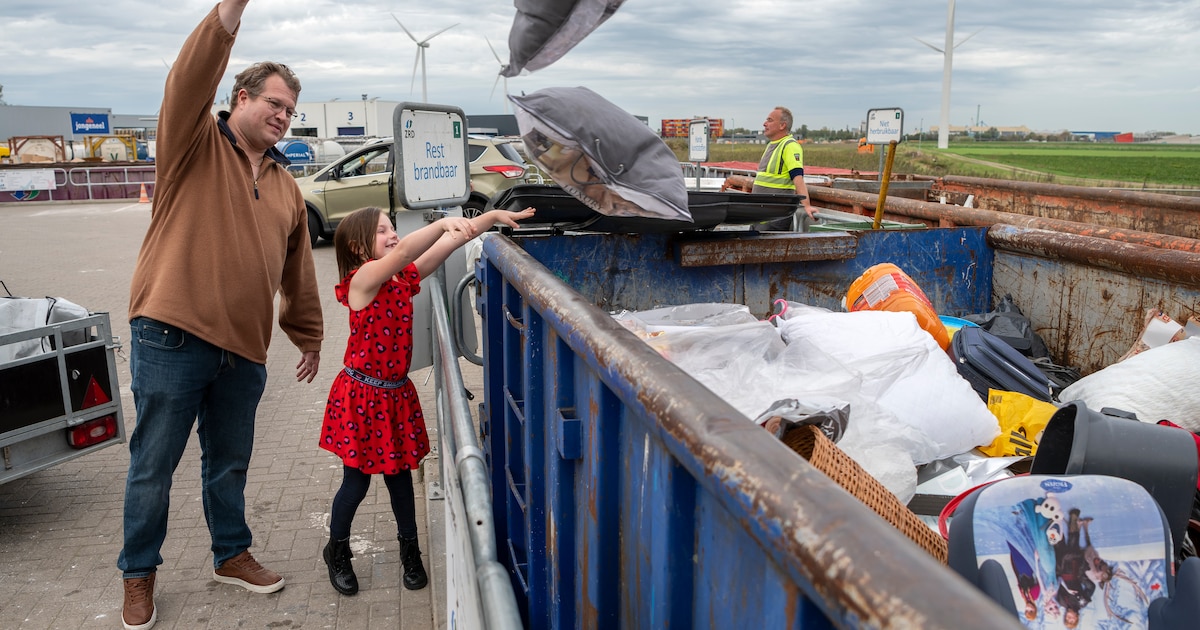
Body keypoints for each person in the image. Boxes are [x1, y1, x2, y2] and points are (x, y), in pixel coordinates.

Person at [119, 2, 323, 628]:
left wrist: (309, 334)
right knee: (154, 466)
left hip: (244, 351)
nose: (283, 118)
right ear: (240, 96)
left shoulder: (289, 185)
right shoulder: (192, 142)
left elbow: (297, 271)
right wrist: (231, 11)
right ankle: (138, 573)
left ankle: (230, 554)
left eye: (291, 111)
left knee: (228, 462)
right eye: (275, 104)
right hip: (170, 337)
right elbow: (188, 77)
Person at [319, 205, 535, 596]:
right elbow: (409, 250)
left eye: (392, 227)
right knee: (356, 482)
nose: (393, 234)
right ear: (358, 245)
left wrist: (491, 218)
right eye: (382, 230)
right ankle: (336, 551)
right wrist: (438, 223)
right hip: (363, 396)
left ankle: (410, 551)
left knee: (400, 478)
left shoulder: (402, 277)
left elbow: (451, 242)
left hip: (395, 394)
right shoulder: (361, 280)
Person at [752, 106, 816, 230]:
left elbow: (798, 179)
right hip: (761, 214)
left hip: (775, 215)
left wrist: (807, 206)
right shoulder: (772, 145)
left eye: (770, 120)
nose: (764, 124)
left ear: (782, 125)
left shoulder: (790, 146)